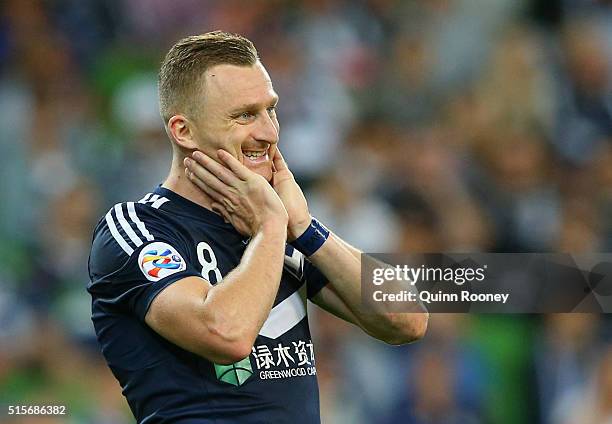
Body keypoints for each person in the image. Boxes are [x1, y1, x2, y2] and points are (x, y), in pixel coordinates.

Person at [87, 31, 428, 423]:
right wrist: (270, 226)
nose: (269, 132)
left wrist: (304, 227)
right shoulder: (136, 227)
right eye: (245, 115)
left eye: (271, 110)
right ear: (184, 131)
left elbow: (408, 319)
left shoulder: (284, 230)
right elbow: (226, 334)